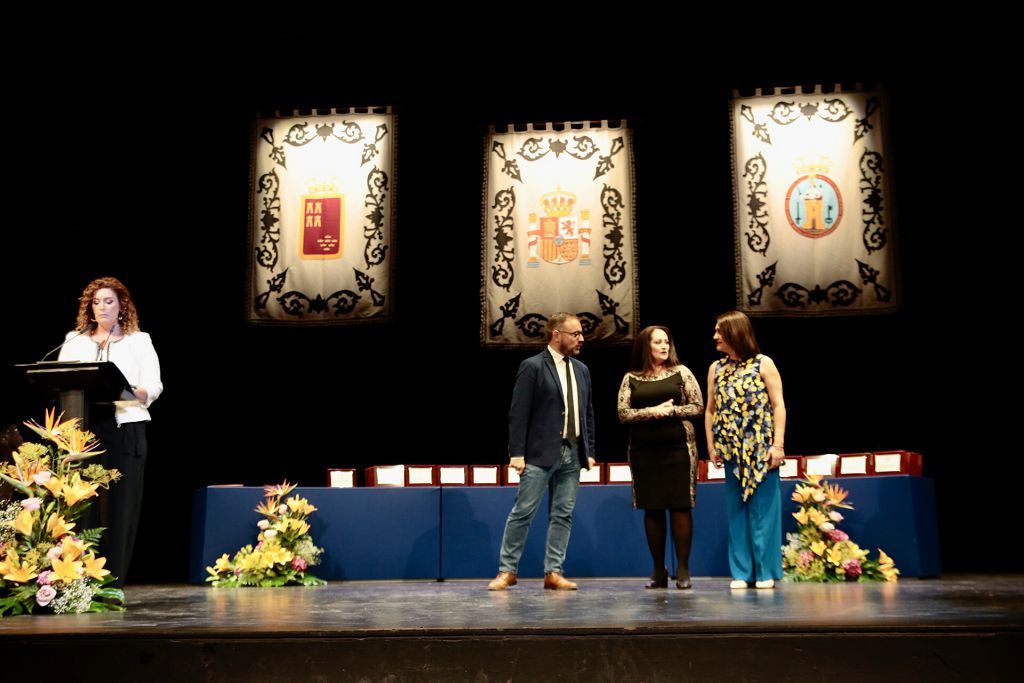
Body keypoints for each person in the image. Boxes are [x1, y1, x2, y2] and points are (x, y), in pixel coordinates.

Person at [58, 277, 162, 586]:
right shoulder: (74, 340)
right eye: (96, 302)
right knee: (82, 504)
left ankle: (112, 582)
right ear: (89, 308)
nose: (102, 307)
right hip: (84, 429)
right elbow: (63, 379)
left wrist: (138, 392)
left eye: (109, 301)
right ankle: (78, 580)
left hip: (125, 426)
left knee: (121, 505)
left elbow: (154, 384)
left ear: (122, 307)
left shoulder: (138, 340)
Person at [488, 312, 596, 591]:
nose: (581, 339)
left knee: (563, 514)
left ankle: (553, 572)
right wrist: (517, 452)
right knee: (523, 512)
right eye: (576, 334)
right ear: (557, 335)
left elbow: (587, 414)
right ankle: (507, 570)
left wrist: (589, 450)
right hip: (538, 453)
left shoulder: (581, 370)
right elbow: (518, 412)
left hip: (572, 452)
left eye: (582, 333)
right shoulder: (533, 366)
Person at [704, 311, 787, 589]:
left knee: (764, 512)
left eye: (719, 331)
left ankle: (765, 573)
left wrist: (778, 445)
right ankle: (741, 573)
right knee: (736, 512)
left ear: (734, 333)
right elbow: (710, 410)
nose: (715, 336)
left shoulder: (764, 364)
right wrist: (711, 444)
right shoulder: (716, 368)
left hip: (761, 450)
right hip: (731, 452)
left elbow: (778, 406)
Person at [617, 326, 703, 589]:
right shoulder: (631, 377)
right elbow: (623, 413)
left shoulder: (681, 372)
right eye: (658, 342)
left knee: (680, 506)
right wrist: (653, 411)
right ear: (647, 346)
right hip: (644, 452)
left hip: (678, 449)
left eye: (667, 341)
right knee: (652, 508)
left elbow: (698, 406)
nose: (664, 346)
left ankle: (684, 568)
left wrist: (671, 411)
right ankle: (658, 570)